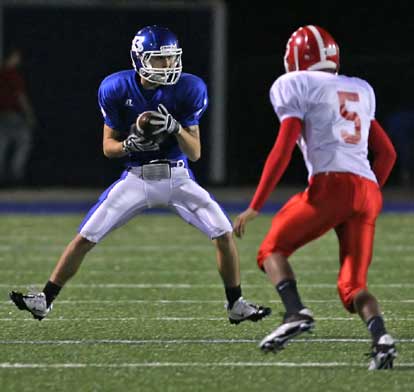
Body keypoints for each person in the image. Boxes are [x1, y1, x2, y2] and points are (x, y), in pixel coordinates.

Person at [9, 25, 270, 326]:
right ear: (140, 59)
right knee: (86, 236)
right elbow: (109, 147)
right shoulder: (116, 88)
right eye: (161, 59)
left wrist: (176, 129)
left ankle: (235, 303)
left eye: (172, 58)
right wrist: (128, 145)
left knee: (222, 233)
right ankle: (45, 299)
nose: (170, 65)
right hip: (137, 178)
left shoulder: (189, 88)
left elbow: (195, 151)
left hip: (178, 177)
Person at [234, 25, 397, 370]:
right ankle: (381, 338)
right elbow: (387, 154)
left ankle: (295, 312)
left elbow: (283, 146)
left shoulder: (296, 84)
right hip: (367, 190)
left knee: (271, 251)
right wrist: (365, 197)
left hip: (331, 184)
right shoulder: (360, 89)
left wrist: (255, 205)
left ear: (295, 59)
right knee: (353, 286)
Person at [0, 47, 36, 186]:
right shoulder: (13, 75)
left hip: (2, 115)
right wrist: (30, 115)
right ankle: (16, 176)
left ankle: (4, 177)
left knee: (2, 145)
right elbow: (20, 97)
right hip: (13, 115)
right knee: (24, 142)